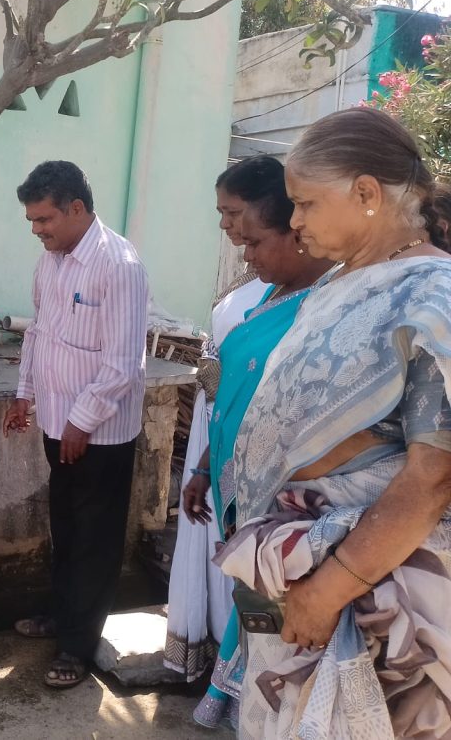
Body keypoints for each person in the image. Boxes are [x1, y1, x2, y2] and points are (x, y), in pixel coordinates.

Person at [215, 106, 451, 738]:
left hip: (376, 598)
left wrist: (329, 590)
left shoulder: (433, 297)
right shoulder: (335, 286)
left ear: (367, 194)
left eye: (306, 204)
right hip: (297, 578)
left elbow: (434, 475)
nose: (294, 221)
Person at [173, 160, 333, 729]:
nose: (244, 254)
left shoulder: (325, 307)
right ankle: (239, 689)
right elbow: (232, 401)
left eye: (254, 241)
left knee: (277, 608)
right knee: (251, 596)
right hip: (234, 482)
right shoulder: (268, 295)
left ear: (297, 233)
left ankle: (257, 702)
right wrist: (203, 468)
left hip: (284, 495)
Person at [3, 160, 149, 689]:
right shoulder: (52, 261)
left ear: (77, 209)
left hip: (100, 433)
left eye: (44, 219)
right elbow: (39, 332)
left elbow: (124, 363)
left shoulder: (119, 264)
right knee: (64, 527)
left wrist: (82, 422)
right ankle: (62, 616)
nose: (37, 230)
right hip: (56, 423)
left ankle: (77, 647)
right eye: (32, 221)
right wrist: (24, 393)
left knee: (95, 538)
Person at [164, 157, 274, 685]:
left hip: (255, 443)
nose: (226, 226)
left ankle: (243, 678)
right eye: (221, 214)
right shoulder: (255, 275)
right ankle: (207, 655)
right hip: (217, 431)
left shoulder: (296, 285)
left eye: (233, 212)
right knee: (212, 543)